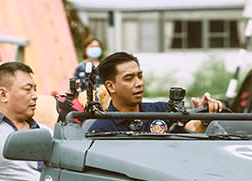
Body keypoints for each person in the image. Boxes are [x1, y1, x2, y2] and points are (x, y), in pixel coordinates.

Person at [87, 51, 222, 135]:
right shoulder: (101, 130)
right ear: (110, 86)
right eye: (129, 78)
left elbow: (192, 129)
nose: (138, 83)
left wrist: (204, 119)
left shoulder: (162, 110)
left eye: (139, 76)